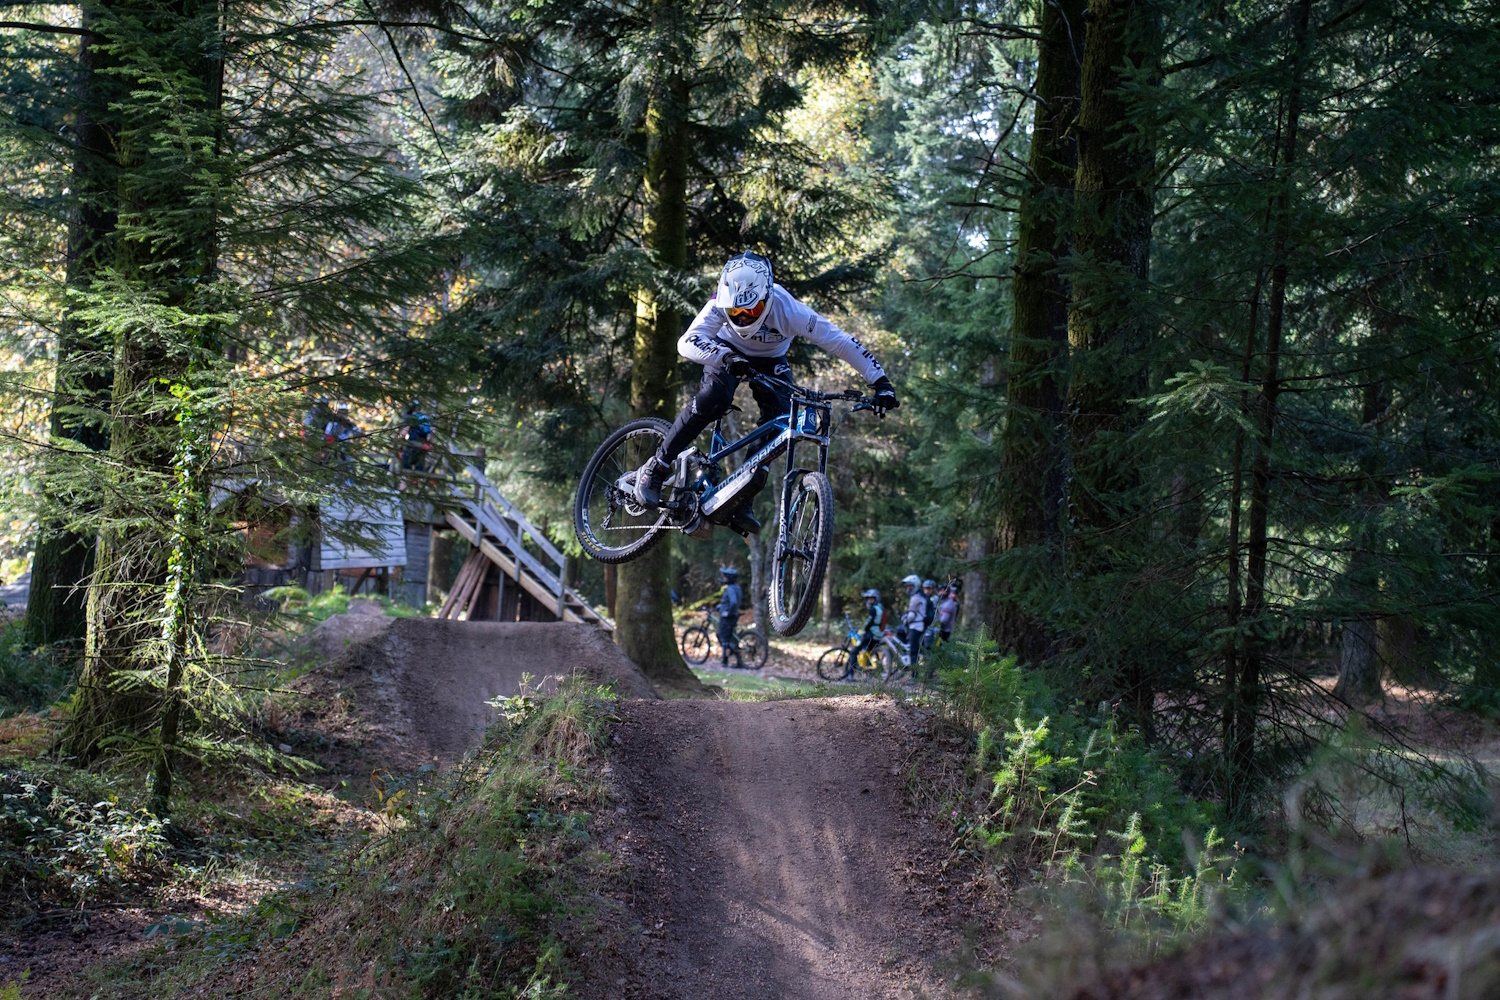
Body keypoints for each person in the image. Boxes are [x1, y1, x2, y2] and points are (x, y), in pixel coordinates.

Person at [633, 251, 899, 534]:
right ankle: (657, 467)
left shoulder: (790, 310)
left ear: (767, 297)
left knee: (782, 420)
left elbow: (839, 341)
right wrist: (724, 358)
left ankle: (742, 497)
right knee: (716, 396)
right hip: (725, 352)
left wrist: (880, 380)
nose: (744, 318)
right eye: (736, 313)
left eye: (751, 310)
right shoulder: (720, 303)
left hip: (771, 360)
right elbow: (686, 342)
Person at [898, 574, 928, 672]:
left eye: (910, 586)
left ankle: (914, 677)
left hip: (915, 627)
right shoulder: (921, 596)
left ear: (915, 585)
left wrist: (905, 620)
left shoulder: (916, 598)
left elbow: (911, 616)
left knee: (913, 652)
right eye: (907, 586)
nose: (908, 588)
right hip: (919, 626)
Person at [716, 566, 744, 669]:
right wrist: (721, 606)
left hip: (728, 617)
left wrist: (727, 612)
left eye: (725, 577)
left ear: (728, 578)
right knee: (731, 638)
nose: (723, 579)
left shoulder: (730, 589)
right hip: (733, 615)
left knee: (724, 639)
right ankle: (739, 661)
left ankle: (724, 661)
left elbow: (733, 602)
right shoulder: (737, 588)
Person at [857, 588, 885, 661]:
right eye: (868, 599)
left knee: (854, 651)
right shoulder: (880, 607)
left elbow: (868, 622)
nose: (869, 601)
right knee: (869, 651)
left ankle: (849, 672)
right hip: (879, 634)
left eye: (871, 599)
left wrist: (863, 630)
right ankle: (871, 669)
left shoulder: (874, 609)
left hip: (872, 634)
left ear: (876, 599)